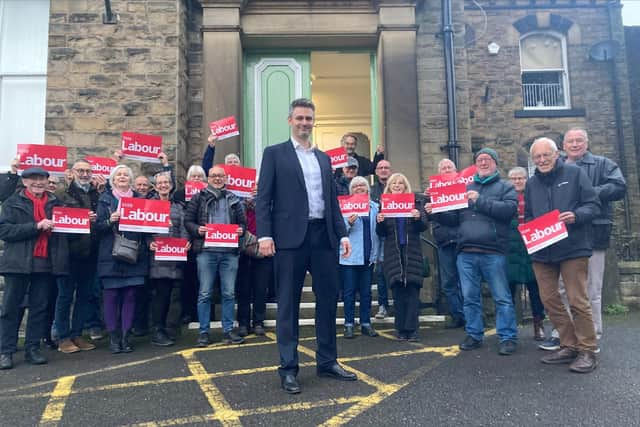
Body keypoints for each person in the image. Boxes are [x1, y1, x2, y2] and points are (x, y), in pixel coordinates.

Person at [256, 98, 356, 395]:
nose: (304, 123)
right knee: (288, 304)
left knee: (327, 301)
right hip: (289, 240)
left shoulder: (324, 159)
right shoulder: (274, 154)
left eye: (309, 119)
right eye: (299, 118)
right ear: (290, 120)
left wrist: (343, 235)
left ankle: (328, 361)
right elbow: (264, 199)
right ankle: (288, 368)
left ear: (314, 122)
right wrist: (264, 236)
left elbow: (332, 202)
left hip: (323, 238)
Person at [526, 137, 600, 373]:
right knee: (549, 299)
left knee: (578, 300)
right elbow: (528, 215)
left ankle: (588, 349)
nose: (541, 160)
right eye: (537, 157)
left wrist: (576, 215)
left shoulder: (575, 173)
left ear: (556, 153)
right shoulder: (531, 183)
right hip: (542, 249)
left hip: (572, 246)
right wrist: (529, 230)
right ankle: (569, 344)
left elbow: (593, 205)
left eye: (546, 155)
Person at [449, 148, 519, 355]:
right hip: (466, 252)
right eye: (480, 160)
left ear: (496, 163)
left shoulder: (505, 186)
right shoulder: (465, 187)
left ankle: (507, 337)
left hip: (494, 251)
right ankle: (474, 334)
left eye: (488, 159)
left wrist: (479, 200)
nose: (483, 162)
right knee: (469, 297)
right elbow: (454, 218)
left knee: (501, 297)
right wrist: (435, 211)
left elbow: (508, 210)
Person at [0, 167, 69, 369]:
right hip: (18, 263)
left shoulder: (57, 203)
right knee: (10, 308)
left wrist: (83, 222)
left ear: (48, 182)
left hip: (45, 263)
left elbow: (67, 229)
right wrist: (36, 226)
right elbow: (4, 231)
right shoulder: (13, 202)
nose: (38, 182)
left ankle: (32, 348)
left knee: (39, 308)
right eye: (34, 179)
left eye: (42, 179)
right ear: (25, 182)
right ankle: (6, 351)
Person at [562, 128, 626, 341]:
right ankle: (566, 332)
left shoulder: (603, 164)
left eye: (579, 140)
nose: (574, 144)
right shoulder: (558, 166)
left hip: (593, 232)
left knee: (592, 288)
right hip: (564, 235)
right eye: (570, 141)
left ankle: (592, 333)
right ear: (564, 146)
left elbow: (619, 186)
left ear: (586, 143)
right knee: (563, 287)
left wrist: (590, 193)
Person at [184, 165, 247, 347]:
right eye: (213, 176)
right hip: (206, 251)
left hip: (229, 253)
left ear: (225, 178)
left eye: (220, 176)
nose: (217, 179)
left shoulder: (234, 198)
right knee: (205, 293)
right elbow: (188, 221)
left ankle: (228, 330)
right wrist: (198, 229)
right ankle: (204, 332)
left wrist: (241, 230)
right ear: (208, 178)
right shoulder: (198, 197)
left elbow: (242, 224)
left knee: (229, 293)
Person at [95, 164, 150, 354]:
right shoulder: (104, 200)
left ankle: (126, 336)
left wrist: (160, 225)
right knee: (111, 296)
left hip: (135, 254)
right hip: (110, 254)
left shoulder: (140, 199)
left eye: (126, 174)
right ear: (113, 179)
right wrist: (110, 220)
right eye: (119, 174)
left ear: (131, 179)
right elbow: (97, 228)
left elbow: (148, 226)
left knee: (130, 296)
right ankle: (114, 337)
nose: (122, 177)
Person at [54, 160, 101, 354]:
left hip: (90, 254)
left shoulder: (97, 194)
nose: (84, 174)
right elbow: (59, 223)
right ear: (72, 173)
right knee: (64, 297)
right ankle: (63, 337)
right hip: (68, 254)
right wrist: (82, 220)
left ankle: (77, 334)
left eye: (87, 171)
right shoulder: (61, 195)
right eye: (80, 170)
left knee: (84, 296)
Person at [376, 173, 428, 341]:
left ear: (406, 186)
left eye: (400, 183)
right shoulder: (384, 205)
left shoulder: (416, 203)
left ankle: (412, 329)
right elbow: (381, 233)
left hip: (411, 251)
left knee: (412, 291)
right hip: (393, 253)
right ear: (389, 187)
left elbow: (423, 227)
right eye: (393, 184)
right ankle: (401, 329)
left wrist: (418, 218)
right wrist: (380, 221)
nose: (397, 185)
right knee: (398, 292)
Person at [147, 172, 190, 346]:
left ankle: (166, 328)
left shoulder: (178, 206)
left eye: (166, 182)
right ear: (155, 186)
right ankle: (157, 330)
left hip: (175, 255)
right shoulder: (149, 205)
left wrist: (186, 242)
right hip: (157, 256)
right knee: (161, 294)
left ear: (171, 185)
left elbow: (184, 227)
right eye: (160, 183)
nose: (164, 185)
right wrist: (149, 242)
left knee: (173, 294)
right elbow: (143, 228)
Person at [425, 159, 465, 329]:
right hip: (443, 242)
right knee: (448, 282)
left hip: (461, 240)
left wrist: (436, 211)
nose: (446, 170)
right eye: (443, 168)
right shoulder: (432, 194)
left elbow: (456, 218)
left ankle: (470, 314)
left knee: (465, 281)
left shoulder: (463, 189)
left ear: (456, 171)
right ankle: (458, 315)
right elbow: (427, 218)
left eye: (449, 167)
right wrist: (428, 202)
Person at [506, 167, 545, 341]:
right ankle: (509, 325)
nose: (517, 181)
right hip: (511, 244)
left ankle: (539, 324)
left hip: (531, 242)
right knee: (508, 288)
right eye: (513, 178)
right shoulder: (505, 196)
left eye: (520, 178)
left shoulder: (534, 194)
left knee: (535, 288)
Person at [340, 176, 380, 339]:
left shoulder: (375, 207)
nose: (359, 188)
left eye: (362, 185)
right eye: (355, 186)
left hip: (368, 256)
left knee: (366, 292)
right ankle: (349, 324)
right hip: (349, 256)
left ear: (367, 188)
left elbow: (380, 232)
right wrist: (348, 223)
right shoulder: (344, 207)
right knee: (349, 292)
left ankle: (365, 323)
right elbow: (337, 231)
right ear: (351, 190)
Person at [235, 181, 272, 337]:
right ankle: (243, 323)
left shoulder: (268, 205)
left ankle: (258, 322)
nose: (254, 191)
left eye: (257, 188)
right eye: (252, 188)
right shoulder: (237, 204)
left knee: (260, 288)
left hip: (263, 251)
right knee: (243, 289)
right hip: (243, 251)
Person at [370, 159, 392, 319]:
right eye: (380, 168)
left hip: (395, 235)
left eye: (386, 168)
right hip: (378, 236)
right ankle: (383, 305)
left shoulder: (397, 187)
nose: (383, 170)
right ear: (376, 171)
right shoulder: (371, 191)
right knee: (380, 272)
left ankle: (399, 303)